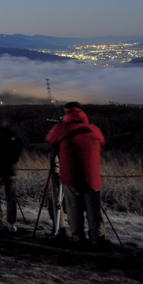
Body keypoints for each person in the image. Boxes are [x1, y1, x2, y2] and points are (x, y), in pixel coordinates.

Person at [45, 102, 107, 244]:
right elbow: (102, 143)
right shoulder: (93, 129)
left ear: (67, 113)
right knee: (94, 209)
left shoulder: (62, 128)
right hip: (92, 176)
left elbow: (50, 140)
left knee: (74, 208)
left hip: (71, 175)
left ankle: (78, 238)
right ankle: (97, 238)